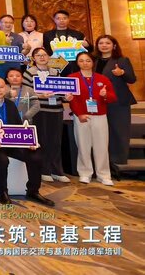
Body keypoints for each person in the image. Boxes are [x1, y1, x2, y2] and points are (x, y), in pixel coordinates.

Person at [0, 77, 55, 206]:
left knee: (36, 156)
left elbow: (19, 126)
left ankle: (33, 191)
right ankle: (2, 192)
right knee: (2, 160)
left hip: (13, 143)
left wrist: (29, 142)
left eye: (1, 87)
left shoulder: (10, 104)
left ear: (6, 88)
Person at [23, 47, 71, 183]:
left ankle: (57, 170)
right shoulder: (29, 72)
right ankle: (44, 170)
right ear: (33, 58)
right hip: (40, 110)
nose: (42, 57)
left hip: (56, 109)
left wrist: (67, 97)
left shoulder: (55, 72)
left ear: (49, 57)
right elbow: (25, 94)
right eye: (38, 55)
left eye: (44, 55)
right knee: (42, 140)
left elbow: (62, 91)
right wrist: (40, 95)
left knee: (56, 141)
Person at [68, 52, 117, 186]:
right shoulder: (72, 78)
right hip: (81, 116)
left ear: (93, 62)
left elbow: (113, 97)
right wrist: (79, 114)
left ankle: (104, 175)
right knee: (83, 145)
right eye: (81, 61)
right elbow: (72, 99)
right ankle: (85, 173)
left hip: (100, 116)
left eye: (88, 60)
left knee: (102, 146)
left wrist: (105, 95)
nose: (85, 63)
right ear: (77, 63)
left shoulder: (102, 78)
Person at [94, 34, 138, 169]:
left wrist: (122, 72)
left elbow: (132, 79)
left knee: (119, 129)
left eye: (107, 43)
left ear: (114, 46)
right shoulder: (93, 61)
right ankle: (103, 159)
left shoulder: (122, 60)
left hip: (118, 100)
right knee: (101, 130)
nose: (104, 45)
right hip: (98, 100)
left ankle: (118, 158)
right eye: (101, 43)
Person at [43, 10, 91, 75]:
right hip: (56, 64)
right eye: (58, 18)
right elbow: (46, 50)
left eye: (64, 18)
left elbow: (89, 50)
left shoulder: (77, 34)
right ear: (54, 20)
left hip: (73, 65)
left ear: (68, 19)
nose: (61, 20)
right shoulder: (47, 35)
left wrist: (87, 45)